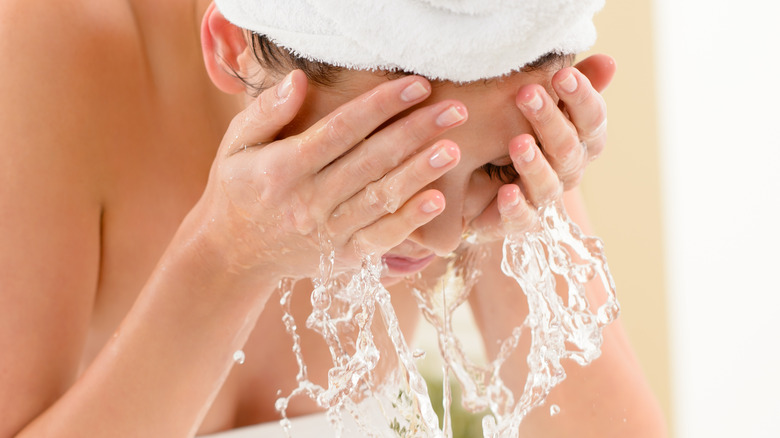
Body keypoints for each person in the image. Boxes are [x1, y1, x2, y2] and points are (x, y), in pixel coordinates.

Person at [0, 0, 666, 436]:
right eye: (378, 170)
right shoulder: (46, 44)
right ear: (230, 47)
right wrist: (226, 256)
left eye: (491, 167)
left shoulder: (475, 42)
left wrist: (525, 207)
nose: (438, 235)